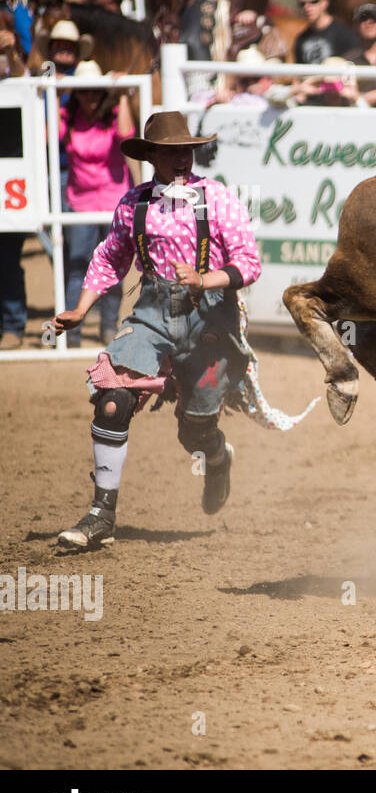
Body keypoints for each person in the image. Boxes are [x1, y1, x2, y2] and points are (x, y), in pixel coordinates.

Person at [53, 110, 262, 550]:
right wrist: (81, 308)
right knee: (112, 402)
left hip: (210, 325)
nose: (182, 159)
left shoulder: (217, 198)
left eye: (186, 150)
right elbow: (111, 257)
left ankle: (217, 457)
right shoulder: (134, 204)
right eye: (170, 153)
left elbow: (248, 262)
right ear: (151, 156)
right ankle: (101, 515)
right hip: (151, 315)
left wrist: (206, 279)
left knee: (196, 429)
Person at [60, 59, 134, 347]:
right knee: (78, 264)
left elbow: (127, 135)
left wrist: (123, 93)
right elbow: (48, 136)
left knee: (115, 266)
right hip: (80, 201)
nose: (90, 96)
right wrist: (56, 95)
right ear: (76, 93)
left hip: (114, 200)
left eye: (96, 91)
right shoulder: (67, 113)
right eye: (84, 90)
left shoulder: (114, 111)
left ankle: (108, 326)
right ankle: (72, 331)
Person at [292, 0, 359, 66]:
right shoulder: (301, 39)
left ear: (325, 2)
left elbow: (353, 67)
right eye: (302, 4)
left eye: (314, 1)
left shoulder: (344, 34)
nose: (307, 7)